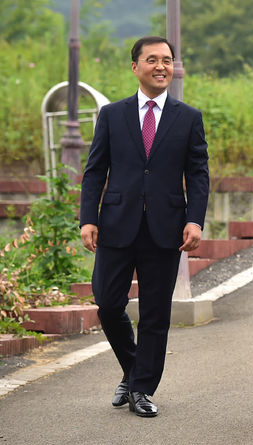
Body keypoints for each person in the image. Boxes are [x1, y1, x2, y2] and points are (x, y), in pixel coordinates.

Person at [80, 36, 210, 418]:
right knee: (107, 303)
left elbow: (198, 174)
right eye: (152, 60)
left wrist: (195, 219)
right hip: (116, 224)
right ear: (135, 66)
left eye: (167, 60)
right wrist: (88, 217)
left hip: (166, 227)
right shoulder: (112, 115)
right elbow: (94, 171)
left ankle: (141, 388)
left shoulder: (188, 117)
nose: (161, 66)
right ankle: (134, 366)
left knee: (156, 313)